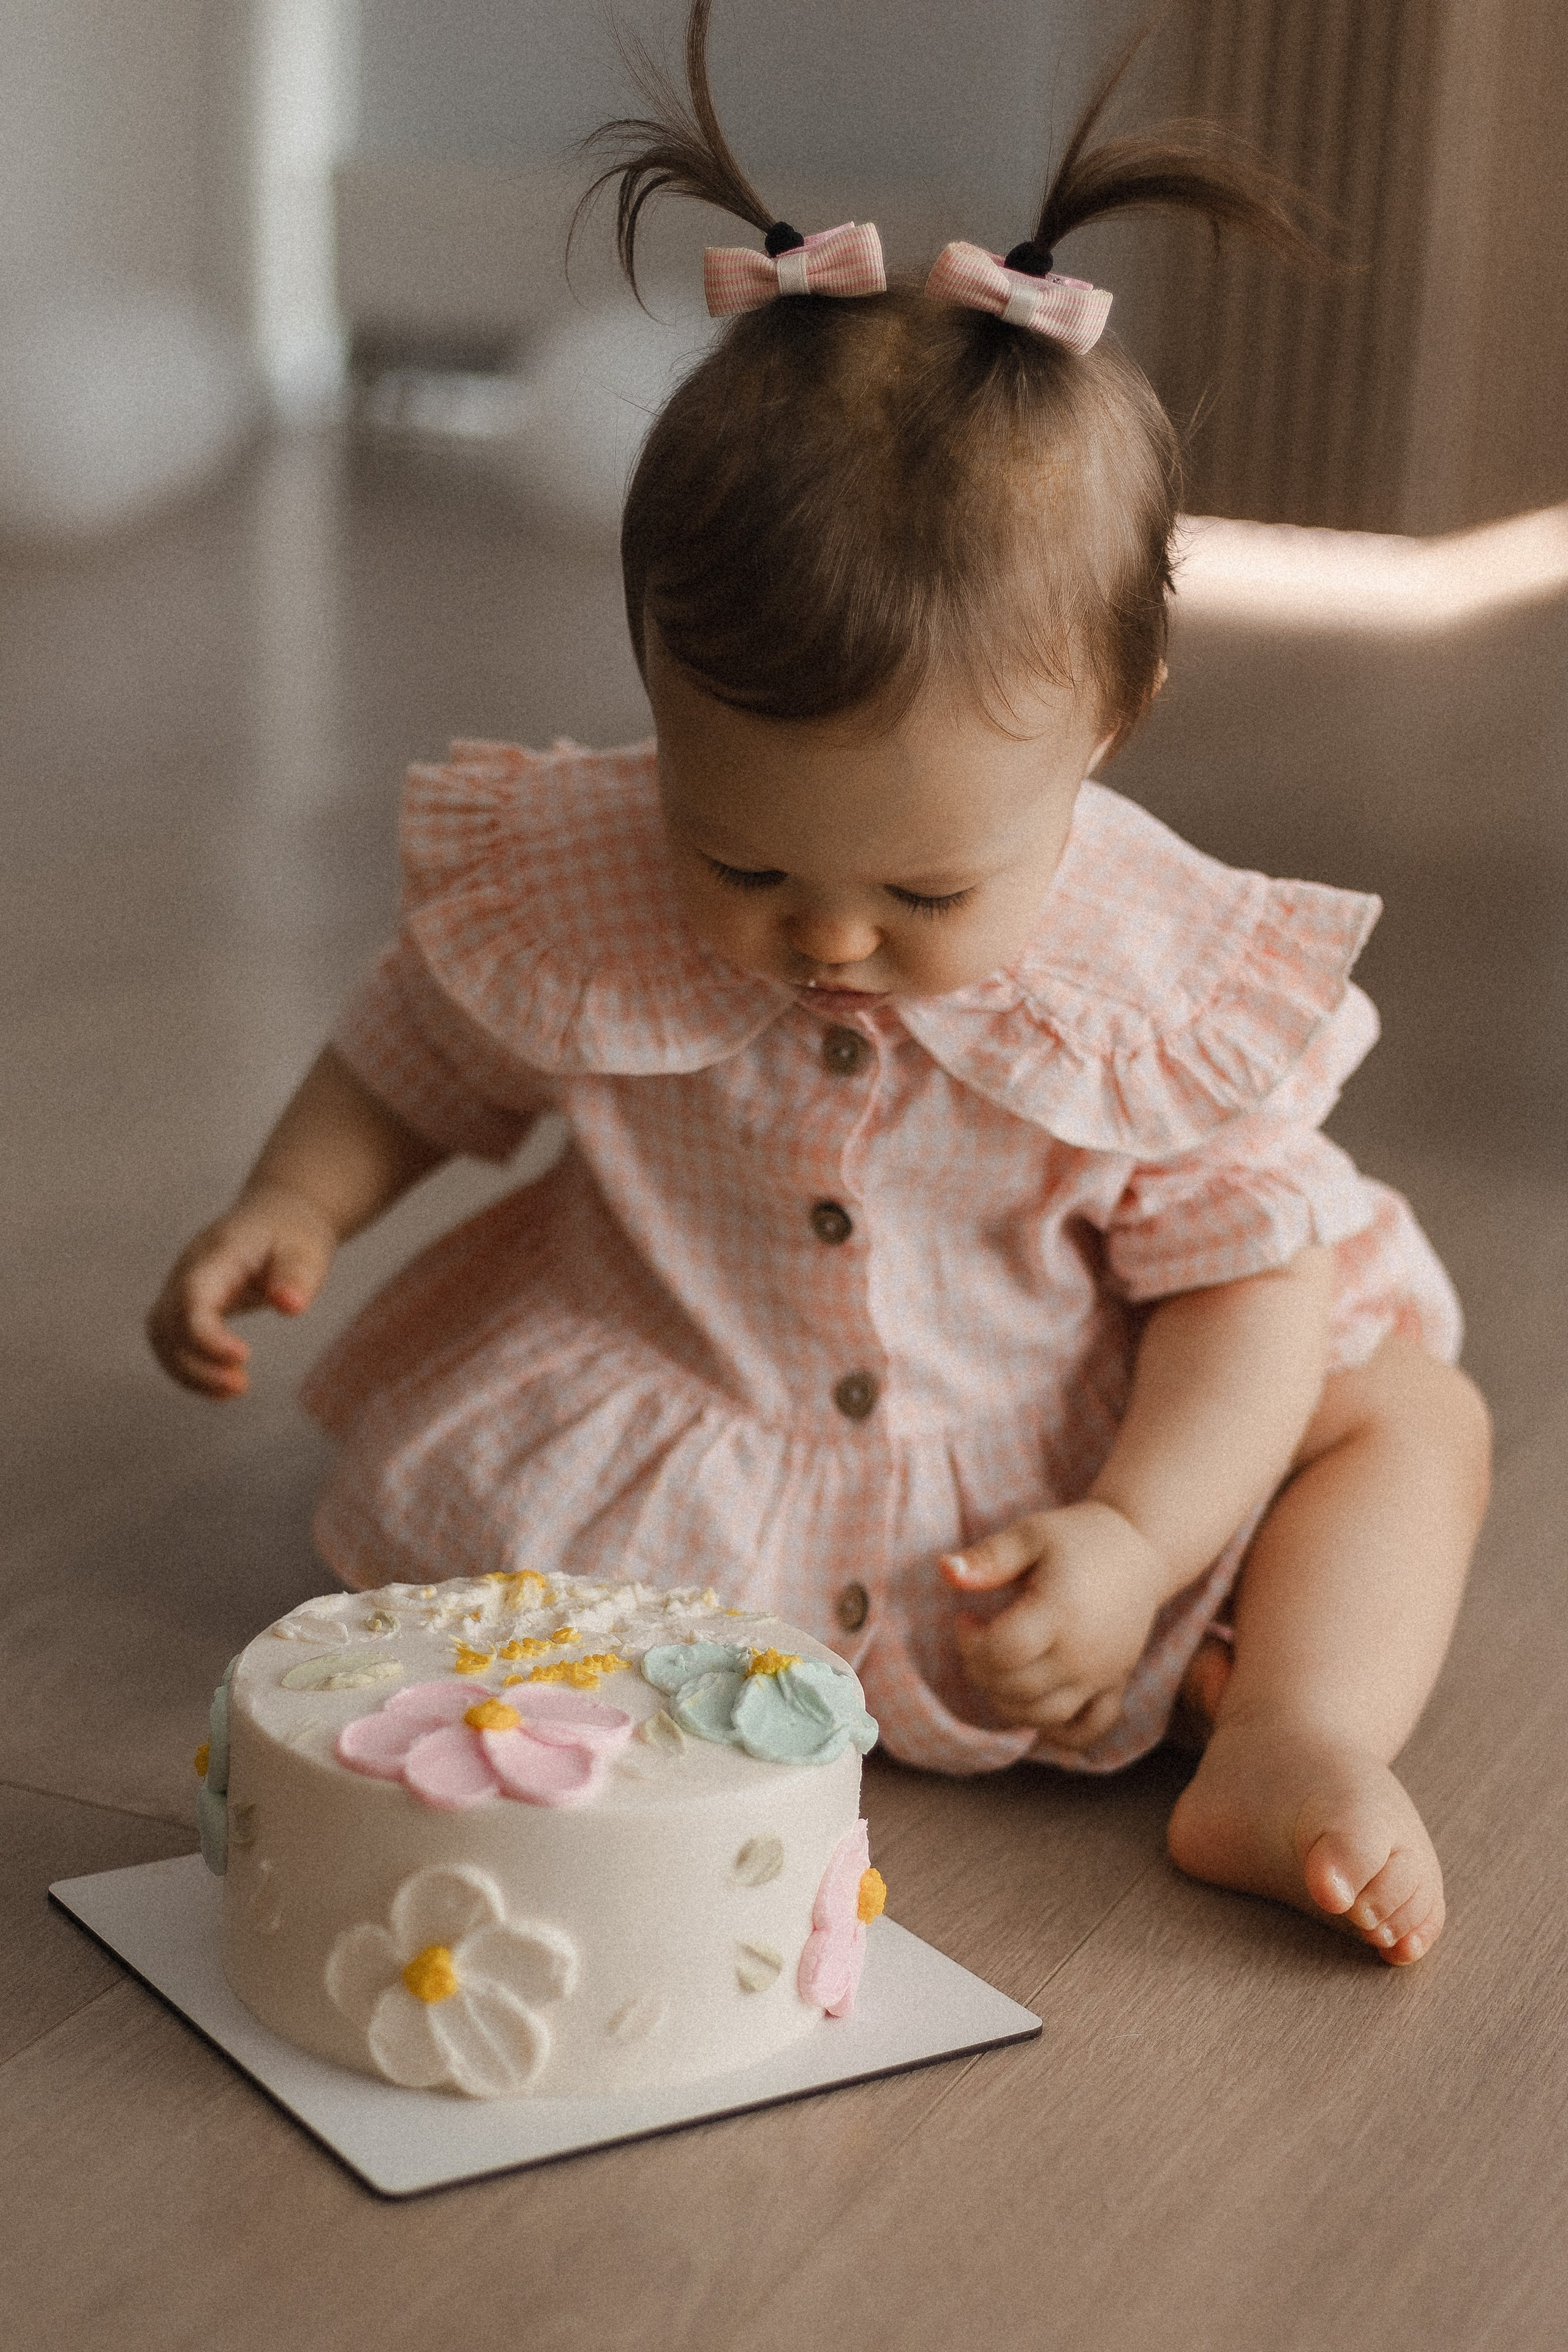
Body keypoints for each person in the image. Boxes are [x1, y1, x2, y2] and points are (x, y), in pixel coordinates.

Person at [147, 4, 1490, 1965]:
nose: (830, 936)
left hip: (1078, 1446)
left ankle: (1281, 1735)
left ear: (1114, 723)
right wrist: (296, 1195)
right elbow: (423, 1044)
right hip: (696, 1410)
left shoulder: (1148, 973)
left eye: (927, 883)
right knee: (521, 1683)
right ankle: (642, 1750)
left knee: (1405, 1419)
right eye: (747, 860)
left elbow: (1248, 1293)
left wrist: (1139, 1538)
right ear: (657, 715)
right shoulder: (594, 861)